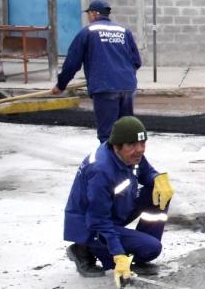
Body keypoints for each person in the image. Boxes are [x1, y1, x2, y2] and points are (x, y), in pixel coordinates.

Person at [64, 116, 174, 285]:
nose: (140, 149)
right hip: (90, 226)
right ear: (116, 145)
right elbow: (98, 220)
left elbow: (146, 172)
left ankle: (138, 248)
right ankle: (84, 249)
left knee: (159, 192)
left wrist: (156, 178)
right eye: (132, 145)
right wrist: (118, 254)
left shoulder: (130, 154)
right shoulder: (101, 171)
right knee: (152, 249)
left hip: (115, 209)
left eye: (142, 143)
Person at [52, 0, 142, 143]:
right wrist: (123, 74)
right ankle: (128, 157)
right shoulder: (124, 31)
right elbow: (136, 61)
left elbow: (72, 64)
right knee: (126, 132)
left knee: (107, 134)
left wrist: (61, 85)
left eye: (88, 13)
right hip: (127, 87)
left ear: (94, 13)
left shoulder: (87, 32)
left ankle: (109, 157)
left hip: (104, 88)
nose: (88, 17)